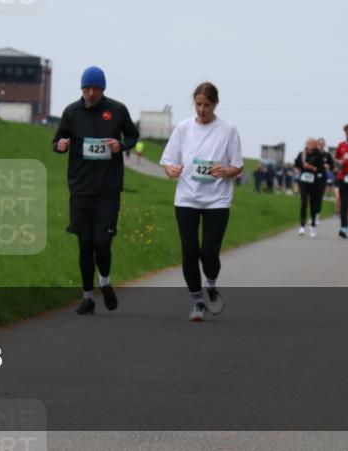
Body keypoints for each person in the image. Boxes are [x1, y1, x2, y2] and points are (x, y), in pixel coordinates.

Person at [53, 66, 139, 315]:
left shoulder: (117, 110)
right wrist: (60, 145)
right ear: (81, 88)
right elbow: (57, 141)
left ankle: (104, 281)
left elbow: (133, 136)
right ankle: (88, 297)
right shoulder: (71, 112)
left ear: (103, 89)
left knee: (102, 243)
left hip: (108, 190)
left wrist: (120, 145)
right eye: (87, 88)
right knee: (84, 246)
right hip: (80, 189)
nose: (91, 93)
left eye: (96, 89)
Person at [160, 82, 243, 322]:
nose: (201, 109)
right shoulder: (183, 128)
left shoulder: (228, 129)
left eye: (207, 105)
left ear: (215, 104)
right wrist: (171, 170)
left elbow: (238, 165)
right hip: (186, 197)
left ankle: (211, 284)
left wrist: (226, 171)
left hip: (217, 200)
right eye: (198, 104)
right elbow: (167, 162)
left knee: (208, 253)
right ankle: (197, 302)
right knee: (189, 251)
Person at [295, 138, 324, 237]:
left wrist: (312, 168)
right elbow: (296, 164)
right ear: (306, 144)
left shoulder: (318, 155)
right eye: (309, 143)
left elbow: (321, 170)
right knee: (303, 202)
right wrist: (300, 168)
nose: (310, 145)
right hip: (303, 181)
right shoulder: (302, 154)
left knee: (313, 203)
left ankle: (312, 226)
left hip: (314, 181)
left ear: (315, 145)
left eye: (312, 143)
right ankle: (302, 226)